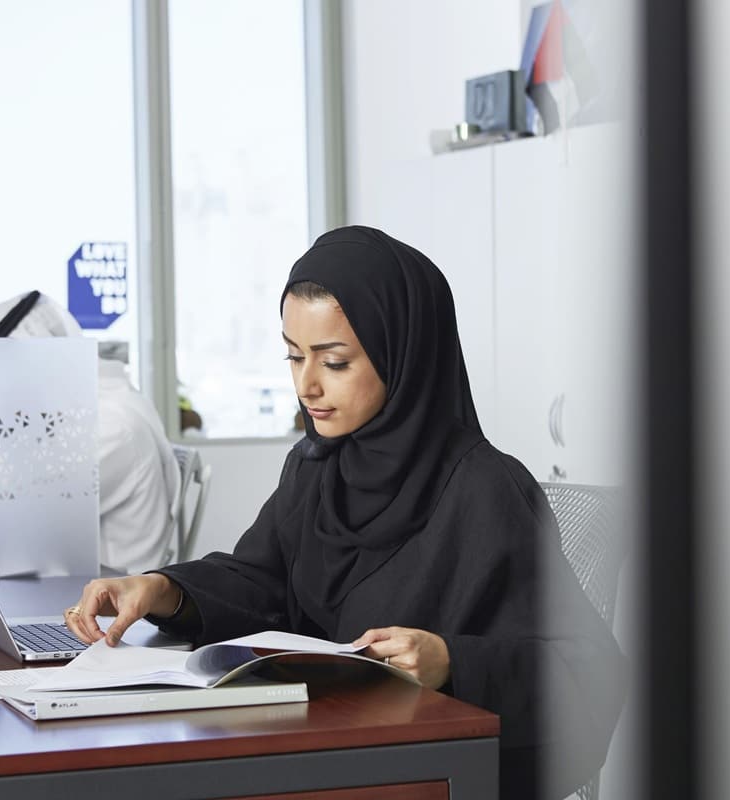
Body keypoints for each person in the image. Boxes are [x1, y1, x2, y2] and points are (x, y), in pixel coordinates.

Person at [63, 227, 627, 799]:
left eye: (334, 362)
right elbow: (261, 580)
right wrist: (162, 589)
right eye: (293, 355)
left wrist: (450, 661)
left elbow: (589, 670)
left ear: (401, 354)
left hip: (420, 776)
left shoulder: (486, 489)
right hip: (318, 756)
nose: (306, 385)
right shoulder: (317, 465)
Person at [0, 291, 181, 573]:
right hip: (75, 584)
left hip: (108, 602)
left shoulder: (111, 424)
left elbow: (17, 515)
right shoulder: (92, 407)